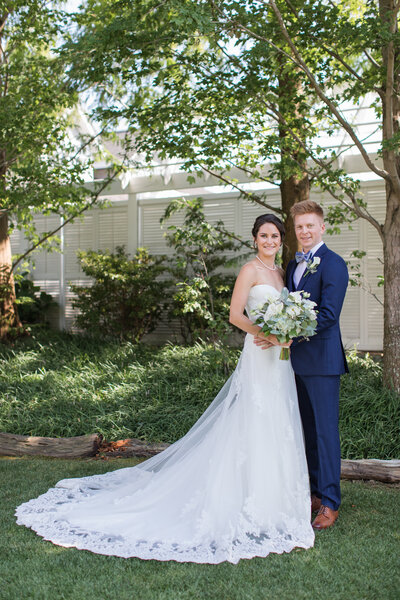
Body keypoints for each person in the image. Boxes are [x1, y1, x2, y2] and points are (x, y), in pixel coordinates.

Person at [15, 214, 314, 564]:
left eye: (275, 235)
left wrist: (286, 335)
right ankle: (242, 498)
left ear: (281, 240)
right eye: (264, 235)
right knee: (253, 419)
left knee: (276, 422)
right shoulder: (249, 271)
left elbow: (289, 315)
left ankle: (274, 502)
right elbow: (235, 316)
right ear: (254, 240)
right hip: (258, 354)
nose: (270, 241)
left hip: (279, 358)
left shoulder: (282, 274)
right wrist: (265, 334)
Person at [286, 200, 349, 530]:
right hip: (294, 364)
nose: (305, 231)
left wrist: (289, 334)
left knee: (325, 434)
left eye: (310, 225)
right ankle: (313, 492)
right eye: (299, 227)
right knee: (306, 432)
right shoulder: (292, 267)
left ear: (322, 227)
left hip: (322, 362)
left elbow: (328, 316)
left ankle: (330, 502)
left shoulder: (334, 264)